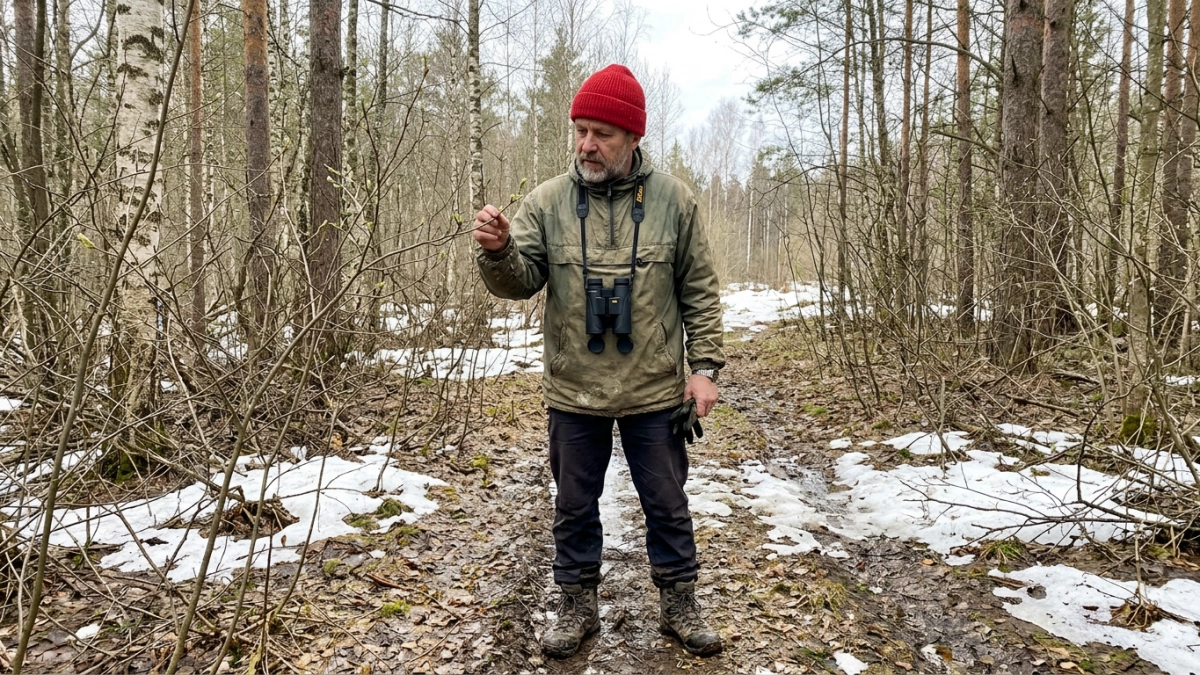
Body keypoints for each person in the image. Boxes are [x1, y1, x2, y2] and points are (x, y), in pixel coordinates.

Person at [473, 64, 725, 659]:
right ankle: (576, 603)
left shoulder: (673, 201)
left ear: (633, 137)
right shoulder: (547, 202)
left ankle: (679, 602)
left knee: (666, 501)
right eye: (581, 130)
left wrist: (705, 369)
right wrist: (499, 251)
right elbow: (520, 283)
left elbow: (700, 291)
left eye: (602, 133)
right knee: (573, 503)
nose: (587, 144)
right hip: (574, 389)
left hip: (655, 389)